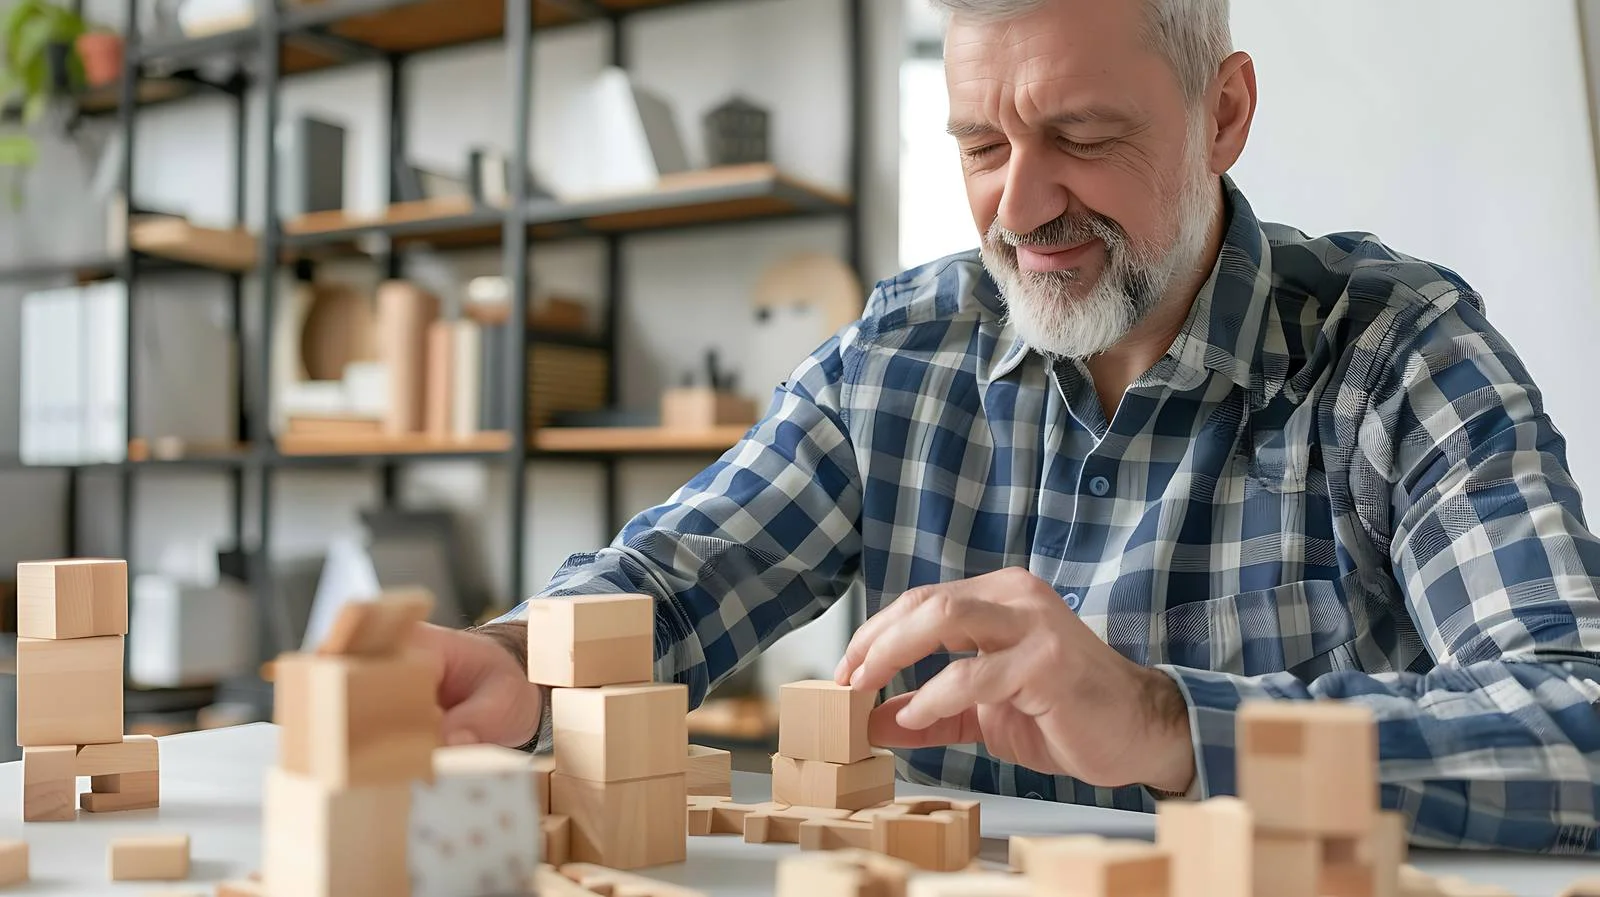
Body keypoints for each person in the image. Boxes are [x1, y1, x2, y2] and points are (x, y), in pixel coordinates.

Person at [410, 0, 1600, 853]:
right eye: (981, 147)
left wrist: (1163, 724)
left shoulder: (1399, 350)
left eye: (1080, 137)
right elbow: (671, 585)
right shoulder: (902, 349)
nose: (1020, 207)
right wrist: (514, 669)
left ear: (1222, 113)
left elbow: (1577, 723)